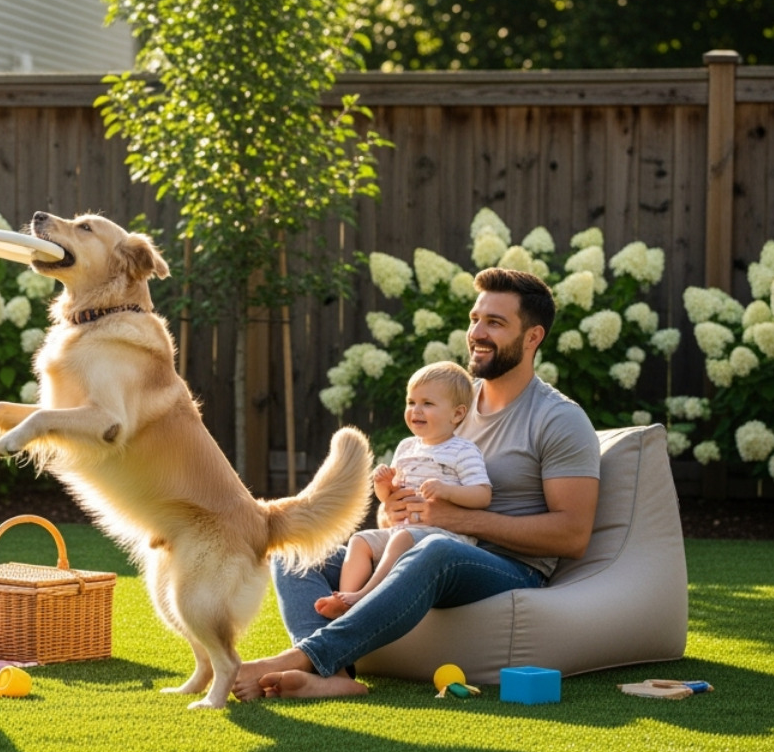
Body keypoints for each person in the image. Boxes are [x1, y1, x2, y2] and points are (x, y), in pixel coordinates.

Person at [232, 267, 601, 701]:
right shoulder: (449, 401)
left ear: (533, 337)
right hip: (422, 543)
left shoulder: (559, 419)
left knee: (436, 548)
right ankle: (332, 675)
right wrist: (394, 507)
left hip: (507, 566)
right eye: (475, 319)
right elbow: (399, 513)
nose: (477, 333)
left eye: (495, 323)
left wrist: (463, 519)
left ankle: (301, 658)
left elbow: (573, 535)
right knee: (299, 551)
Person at [314, 361, 491, 619]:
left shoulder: (463, 451)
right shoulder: (407, 447)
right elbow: (392, 499)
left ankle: (363, 598)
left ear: (457, 414)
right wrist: (383, 486)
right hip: (403, 531)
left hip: (443, 540)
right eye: (411, 402)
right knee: (360, 540)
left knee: (400, 538)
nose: (416, 410)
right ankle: (345, 601)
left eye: (427, 404)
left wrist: (447, 491)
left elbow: (483, 495)